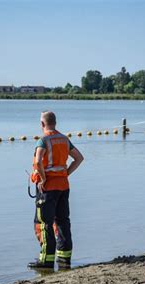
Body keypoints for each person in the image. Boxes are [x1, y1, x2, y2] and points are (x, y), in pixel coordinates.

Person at [29, 111, 84, 270]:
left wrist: (43, 178)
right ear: (55, 122)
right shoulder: (64, 139)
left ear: (42, 124)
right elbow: (79, 158)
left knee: (43, 223)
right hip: (63, 186)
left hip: (47, 188)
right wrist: (66, 173)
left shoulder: (43, 140)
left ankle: (45, 262)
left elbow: (38, 161)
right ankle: (64, 260)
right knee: (62, 222)